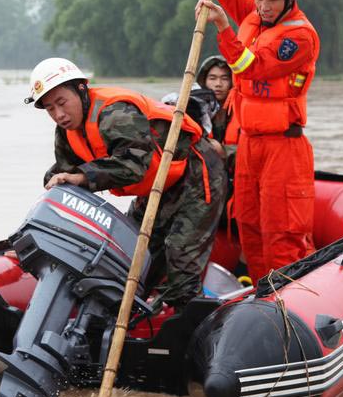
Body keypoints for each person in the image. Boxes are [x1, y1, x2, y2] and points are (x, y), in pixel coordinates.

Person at [27, 57, 226, 309]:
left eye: (62, 103)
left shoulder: (114, 112)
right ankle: (131, 313)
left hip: (196, 172)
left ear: (81, 89)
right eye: (49, 108)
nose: (59, 114)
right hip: (156, 185)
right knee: (130, 251)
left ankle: (181, 314)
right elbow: (61, 177)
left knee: (178, 251)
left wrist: (83, 177)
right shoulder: (66, 131)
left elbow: (133, 166)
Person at [197, 0, 321, 283]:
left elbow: (251, 66)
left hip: (284, 147)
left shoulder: (299, 37)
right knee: (247, 222)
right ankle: (259, 295)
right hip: (250, 143)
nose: (262, 5)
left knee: (281, 230)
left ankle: (289, 301)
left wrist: (221, 27)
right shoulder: (254, 14)